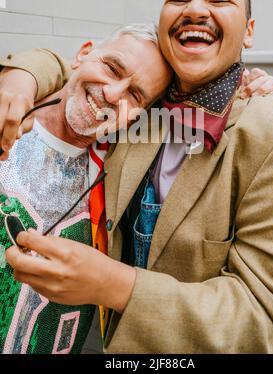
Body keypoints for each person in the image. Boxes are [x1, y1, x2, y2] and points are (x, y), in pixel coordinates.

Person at [3, 0, 273, 354]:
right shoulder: (144, 113)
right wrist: (21, 76)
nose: (195, 9)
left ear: (248, 33)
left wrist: (115, 285)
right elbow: (77, 71)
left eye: (219, 0)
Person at [0, 23, 172, 354]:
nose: (112, 94)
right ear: (83, 54)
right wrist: (21, 75)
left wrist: (252, 88)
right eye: (111, 68)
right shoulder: (9, 107)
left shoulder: (122, 173)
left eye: (134, 95)